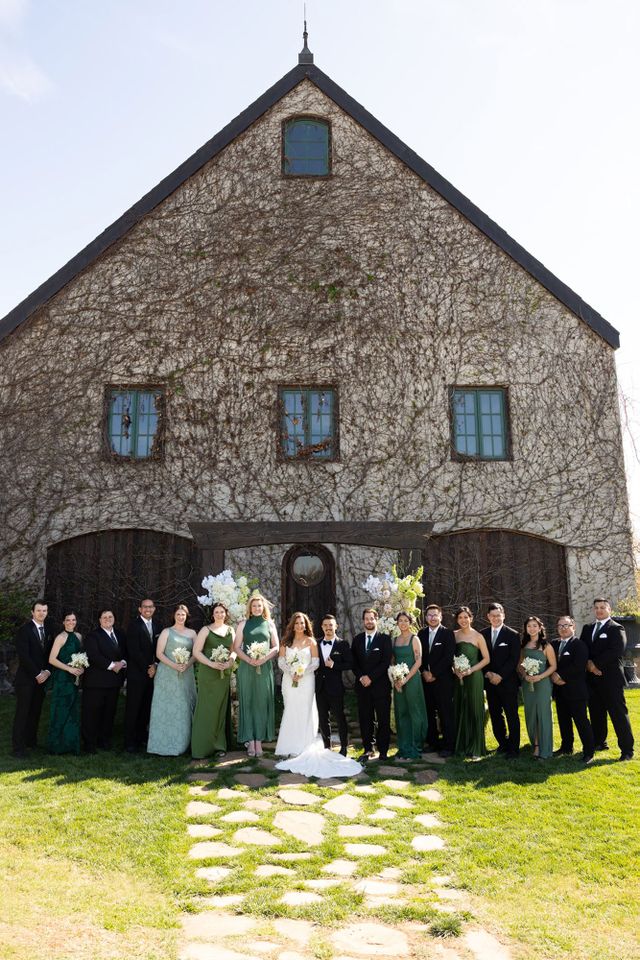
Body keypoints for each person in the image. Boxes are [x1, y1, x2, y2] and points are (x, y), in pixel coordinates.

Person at [580, 597, 634, 761]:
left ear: (609, 609)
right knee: (596, 713)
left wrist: (595, 665)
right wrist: (588, 664)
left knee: (618, 715)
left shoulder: (616, 628)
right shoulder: (588, 628)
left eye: (603, 607)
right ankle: (599, 742)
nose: (599, 610)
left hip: (610, 680)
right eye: (596, 607)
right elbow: (582, 648)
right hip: (592, 680)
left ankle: (627, 750)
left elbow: (616, 651)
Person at [147, 604, 197, 756]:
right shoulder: (166, 632)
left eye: (183, 615)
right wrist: (175, 665)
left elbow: (196, 653)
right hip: (167, 674)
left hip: (185, 673)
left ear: (186, 616)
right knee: (165, 708)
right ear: (174, 616)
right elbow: (159, 653)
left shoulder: (193, 633)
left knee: (183, 706)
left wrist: (187, 664)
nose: (181, 617)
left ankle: (182, 744)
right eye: (178, 614)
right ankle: (161, 744)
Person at [233, 592, 279, 757]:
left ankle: (259, 739)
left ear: (263, 607)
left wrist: (262, 659)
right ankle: (249, 741)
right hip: (247, 667)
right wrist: (249, 659)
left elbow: (276, 647)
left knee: (261, 702)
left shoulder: (270, 625)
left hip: (264, 667)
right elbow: (236, 647)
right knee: (248, 702)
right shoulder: (243, 624)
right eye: (254, 606)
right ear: (250, 608)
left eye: (260, 605)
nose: (257, 608)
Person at [191, 601, 236, 758]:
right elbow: (196, 652)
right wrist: (211, 663)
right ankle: (201, 747)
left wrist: (230, 661)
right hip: (208, 674)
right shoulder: (205, 630)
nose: (219, 614)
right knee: (206, 708)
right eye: (216, 612)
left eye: (222, 612)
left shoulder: (231, 630)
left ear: (226, 614)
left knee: (220, 708)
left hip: (223, 674)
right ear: (213, 614)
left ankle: (219, 746)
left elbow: (234, 650)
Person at [551, 615, 595, 764]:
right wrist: (553, 676)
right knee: (563, 721)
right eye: (560, 626)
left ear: (573, 627)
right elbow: (549, 663)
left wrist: (560, 676)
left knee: (581, 721)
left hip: (576, 690)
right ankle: (566, 747)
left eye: (566, 625)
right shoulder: (553, 644)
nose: (563, 628)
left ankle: (589, 751)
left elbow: (578, 666)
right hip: (559, 691)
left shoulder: (580, 645)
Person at [11, 599, 52, 758]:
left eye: (44, 610)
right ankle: (18, 747)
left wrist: (47, 672)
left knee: (35, 711)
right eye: (39, 610)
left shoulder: (48, 629)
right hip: (27, 679)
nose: (42, 613)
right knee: (23, 713)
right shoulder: (24, 630)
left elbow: (49, 654)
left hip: (43, 678)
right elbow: (24, 656)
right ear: (32, 612)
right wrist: (37, 674)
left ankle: (31, 741)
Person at [82, 609, 127, 753]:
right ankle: (89, 743)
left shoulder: (120, 634)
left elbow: (127, 652)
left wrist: (123, 662)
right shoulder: (93, 636)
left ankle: (104, 740)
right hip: (96, 682)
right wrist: (113, 665)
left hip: (114, 682)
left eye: (110, 616)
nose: (108, 619)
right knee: (92, 713)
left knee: (109, 712)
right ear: (99, 620)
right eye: (104, 617)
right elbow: (94, 656)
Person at [351, 608, 392, 762]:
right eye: (366, 619)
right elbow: (353, 662)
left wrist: (371, 677)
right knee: (365, 719)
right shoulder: (357, 639)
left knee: (383, 719)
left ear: (377, 620)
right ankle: (368, 748)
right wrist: (361, 676)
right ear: (363, 621)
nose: (369, 621)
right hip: (362, 687)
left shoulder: (385, 639)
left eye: (371, 618)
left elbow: (385, 662)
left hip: (380, 686)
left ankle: (383, 750)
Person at [275, 612, 319, 756]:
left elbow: (315, 662)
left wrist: (302, 672)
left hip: (306, 680)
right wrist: (291, 672)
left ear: (306, 625)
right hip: (289, 680)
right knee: (291, 708)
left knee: (305, 709)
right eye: (297, 623)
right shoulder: (285, 641)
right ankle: (289, 745)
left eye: (302, 623)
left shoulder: (311, 641)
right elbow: (281, 661)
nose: (300, 626)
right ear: (292, 625)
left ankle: (304, 744)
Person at [481, 602, 521, 759]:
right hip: (490, 682)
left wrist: (500, 676)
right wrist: (489, 674)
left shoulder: (512, 634)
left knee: (512, 715)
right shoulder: (482, 634)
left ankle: (514, 748)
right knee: (495, 714)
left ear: (503, 615)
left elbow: (513, 659)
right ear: (488, 617)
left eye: (498, 615)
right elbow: (480, 657)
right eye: (493, 616)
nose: (496, 618)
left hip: (508, 682)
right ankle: (502, 744)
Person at [124, 598, 161, 753]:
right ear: (140, 609)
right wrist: (149, 667)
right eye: (145, 607)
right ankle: (129, 742)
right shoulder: (133, 626)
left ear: (154, 609)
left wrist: (156, 665)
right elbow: (134, 651)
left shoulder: (158, 626)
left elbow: (160, 648)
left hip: (152, 674)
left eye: (150, 607)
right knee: (133, 707)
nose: (148, 609)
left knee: (146, 708)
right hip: (137, 674)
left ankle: (141, 738)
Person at [452, 605, 490, 759]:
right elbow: (450, 656)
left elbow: (487, 659)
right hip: (458, 677)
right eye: (460, 617)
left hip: (474, 677)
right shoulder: (453, 635)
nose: (463, 620)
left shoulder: (478, 636)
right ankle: (461, 745)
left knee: (475, 708)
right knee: (460, 708)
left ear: (471, 618)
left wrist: (470, 670)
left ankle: (476, 748)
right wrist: (455, 669)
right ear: (457, 620)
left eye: (466, 617)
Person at [418, 603, 455, 757]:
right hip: (426, 680)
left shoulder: (447, 634)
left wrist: (434, 674)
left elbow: (448, 657)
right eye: (430, 615)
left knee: (445, 713)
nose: (433, 618)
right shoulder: (421, 634)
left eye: (435, 615)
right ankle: (432, 743)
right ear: (426, 618)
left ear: (441, 616)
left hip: (443, 680)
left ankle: (448, 746)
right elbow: (418, 656)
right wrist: (424, 672)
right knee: (429, 713)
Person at [391, 612, 428, 760]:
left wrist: (406, 679)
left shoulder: (415, 639)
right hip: (398, 681)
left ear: (410, 622)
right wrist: (395, 678)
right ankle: (404, 746)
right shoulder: (394, 640)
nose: (403, 623)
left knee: (415, 711)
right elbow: (392, 661)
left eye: (406, 620)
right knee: (402, 712)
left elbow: (418, 661)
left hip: (412, 680)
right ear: (397, 623)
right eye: (400, 620)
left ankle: (416, 746)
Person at [47, 611, 84, 755]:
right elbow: (52, 659)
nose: (71, 622)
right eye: (68, 620)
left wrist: (80, 668)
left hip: (74, 679)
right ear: (63, 622)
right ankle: (56, 745)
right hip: (62, 678)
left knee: (72, 711)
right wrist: (69, 669)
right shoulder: (60, 638)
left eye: (73, 620)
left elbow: (80, 656)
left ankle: (70, 745)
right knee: (60, 710)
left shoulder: (79, 636)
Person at [519, 616, 556, 760]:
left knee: (543, 714)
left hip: (542, 684)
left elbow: (553, 666)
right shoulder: (524, 646)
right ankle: (536, 745)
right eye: (529, 626)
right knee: (531, 714)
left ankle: (545, 747)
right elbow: (520, 665)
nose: (532, 629)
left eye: (535, 626)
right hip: (528, 684)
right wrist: (525, 675)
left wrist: (540, 677)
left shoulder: (546, 646)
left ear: (540, 628)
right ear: (526, 629)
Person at [315, 614, 351, 755]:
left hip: (335, 687)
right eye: (325, 625)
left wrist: (334, 664)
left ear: (336, 626)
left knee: (340, 718)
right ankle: (326, 747)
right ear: (322, 627)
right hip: (320, 688)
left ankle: (343, 747)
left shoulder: (342, 644)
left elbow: (350, 663)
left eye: (331, 625)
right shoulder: (316, 643)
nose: (328, 628)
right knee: (323, 719)